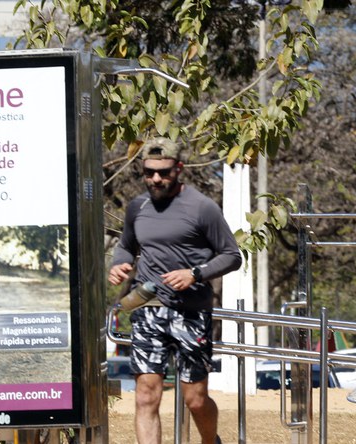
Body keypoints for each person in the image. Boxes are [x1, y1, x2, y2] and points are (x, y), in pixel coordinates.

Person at [108, 137, 241, 444]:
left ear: (179, 169)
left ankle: (211, 441)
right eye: (149, 172)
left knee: (195, 398)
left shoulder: (202, 207)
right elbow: (126, 247)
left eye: (164, 172)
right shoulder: (137, 207)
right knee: (145, 396)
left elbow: (232, 255)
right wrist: (120, 264)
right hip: (147, 307)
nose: (156, 179)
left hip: (191, 311)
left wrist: (194, 274)